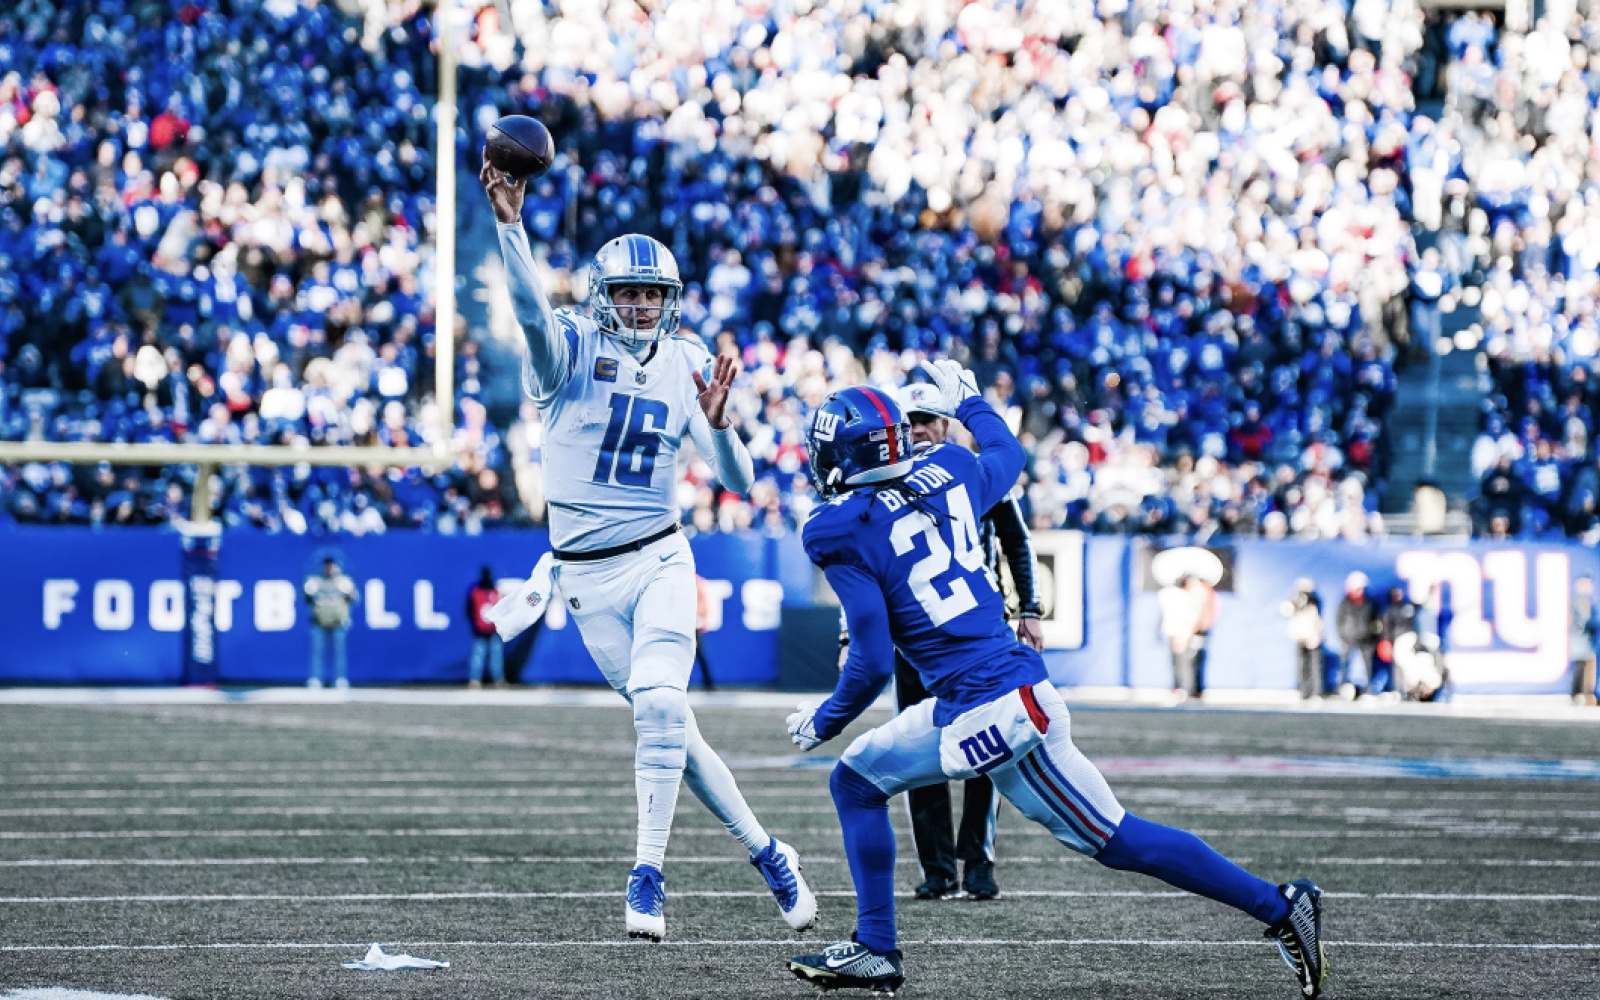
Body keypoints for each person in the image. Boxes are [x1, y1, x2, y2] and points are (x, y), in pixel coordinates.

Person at [783, 363, 1325, 997]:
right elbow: (1006, 453)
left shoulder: (836, 526)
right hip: (971, 694)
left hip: (1003, 708)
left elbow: (873, 661)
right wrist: (972, 403)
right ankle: (876, 947)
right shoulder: (951, 469)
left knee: (1118, 841)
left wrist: (826, 718)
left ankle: (1284, 907)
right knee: (857, 779)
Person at [484, 161, 815, 941]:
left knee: (663, 708)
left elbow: (737, 479)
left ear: (670, 302)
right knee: (678, 733)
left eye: (653, 294)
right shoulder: (566, 346)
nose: (640, 306)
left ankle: (647, 873)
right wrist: (510, 226)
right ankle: (769, 852)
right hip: (585, 579)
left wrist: (724, 423)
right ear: (604, 295)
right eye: (629, 293)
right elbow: (532, 312)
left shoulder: (689, 361)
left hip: (660, 556)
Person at [836, 380, 1044, 902]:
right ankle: (937, 867)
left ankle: (978, 859)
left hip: (978, 634)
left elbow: (1017, 541)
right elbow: (858, 570)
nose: (920, 429)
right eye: (909, 422)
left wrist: (1030, 610)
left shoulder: (966, 467)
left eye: (928, 419)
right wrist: (850, 634)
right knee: (916, 745)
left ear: (945, 424)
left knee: (990, 746)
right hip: (914, 638)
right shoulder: (881, 483)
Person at [303, 556, 357, 689]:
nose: (329, 569)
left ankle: (340, 678)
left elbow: (353, 598)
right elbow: (307, 598)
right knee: (317, 652)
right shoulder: (314, 582)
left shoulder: (344, 582)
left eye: (331, 566)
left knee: (339, 652)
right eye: (327, 566)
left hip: (338, 622)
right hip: (319, 621)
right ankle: (316, 678)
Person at [1334, 572, 1380, 698]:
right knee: (1344, 665)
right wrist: (1343, 635)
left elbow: (1376, 620)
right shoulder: (1344, 603)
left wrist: (1373, 636)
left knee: (1369, 666)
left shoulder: (1370, 602)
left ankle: (1369, 689)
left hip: (1366, 639)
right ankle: (1341, 688)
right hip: (1348, 639)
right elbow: (1339, 620)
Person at [1281, 578, 1324, 700]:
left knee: (1315, 665)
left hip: (1312, 636)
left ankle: (1316, 691)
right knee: (1302, 665)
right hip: (1300, 635)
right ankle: (1303, 691)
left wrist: (1316, 634)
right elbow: (1289, 613)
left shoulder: (1314, 601)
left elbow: (1316, 618)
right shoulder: (1294, 599)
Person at [467, 567, 505, 688]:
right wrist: (475, 624)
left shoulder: (495, 592)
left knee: (495, 657)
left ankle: (498, 679)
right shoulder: (476, 592)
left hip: (493, 630)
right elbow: (469, 610)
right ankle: (475, 679)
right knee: (479, 656)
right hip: (480, 630)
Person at [1572, 576, 1598, 707]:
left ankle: (1588, 695)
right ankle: (1577, 694)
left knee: (1590, 669)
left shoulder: (1590, 602)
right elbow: (1580, 624)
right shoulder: (1578, 603)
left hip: (1590, 642)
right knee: (1580, 668)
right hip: (1580, 642)